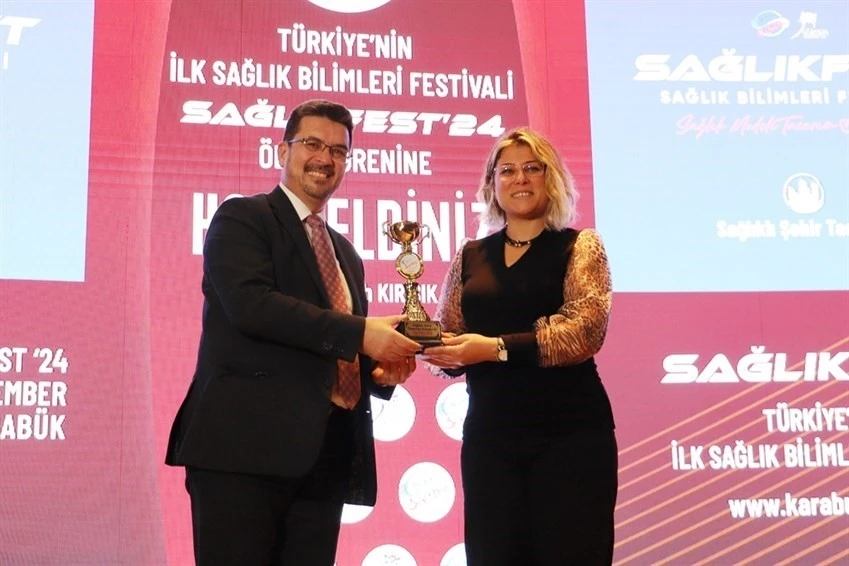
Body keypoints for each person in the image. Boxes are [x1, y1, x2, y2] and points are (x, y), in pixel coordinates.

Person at [165, 98, 421, 566]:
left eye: (338, 151)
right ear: (283, 151)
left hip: (324, 457)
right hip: (242, 454)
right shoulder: (242, 218)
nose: (325, 158)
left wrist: (378, 370)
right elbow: (252, 307)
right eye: (312, 144)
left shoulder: (346, 254)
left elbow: (331, 346)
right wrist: (361, 334)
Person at [422, 127, 618, 565]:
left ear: (551, 178)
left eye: (532, 168)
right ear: (492, 183)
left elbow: (583, 333)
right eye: (507, 170)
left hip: (570, 438)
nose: (520, 178)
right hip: (490, 441)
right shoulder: (470, 255)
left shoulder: (579, 245)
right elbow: (449, 335)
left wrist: (493, 348)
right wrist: (415, 344)